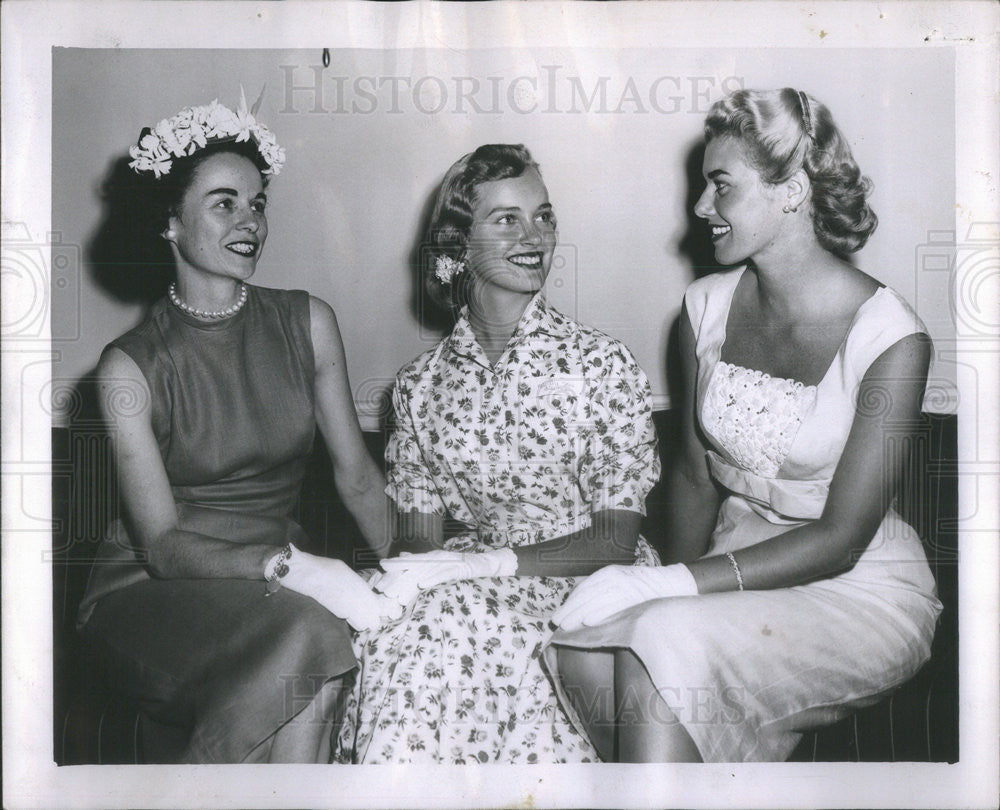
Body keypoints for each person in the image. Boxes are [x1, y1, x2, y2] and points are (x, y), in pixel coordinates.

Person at [543, 87, 943, 763]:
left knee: (664, 638)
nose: (701, 208)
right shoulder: (703, 308)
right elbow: (695, 478)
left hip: (858, 589)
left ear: (791, 189)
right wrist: (663, 576)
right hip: (733, 557)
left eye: (720, 186)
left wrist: (665, 588)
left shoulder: (893, 339)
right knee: (583, 640)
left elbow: (842, 539)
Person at [76, 95, 400, 763]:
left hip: (277, 581)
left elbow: (357, 475)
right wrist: (293, 568)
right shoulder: (128, 368)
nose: (250, 220)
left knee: (317, 644)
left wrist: (414, 576)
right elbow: (162, 548)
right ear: (170, 222)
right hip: (153, 590)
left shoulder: (307, 322)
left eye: (257, 203)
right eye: (224, 203)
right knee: (313, 632)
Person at [335, 144, 661, 764]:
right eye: (506, 219)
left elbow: (616, 541)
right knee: (402, 631)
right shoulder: (418, 386)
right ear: (458, 243)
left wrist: (478, 571)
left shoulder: (602, 364)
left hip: (588, 583)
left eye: (544, 216)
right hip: (468, 581)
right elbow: (419, 541)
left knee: (453, 620)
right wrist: (416, 582)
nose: (534, 234)